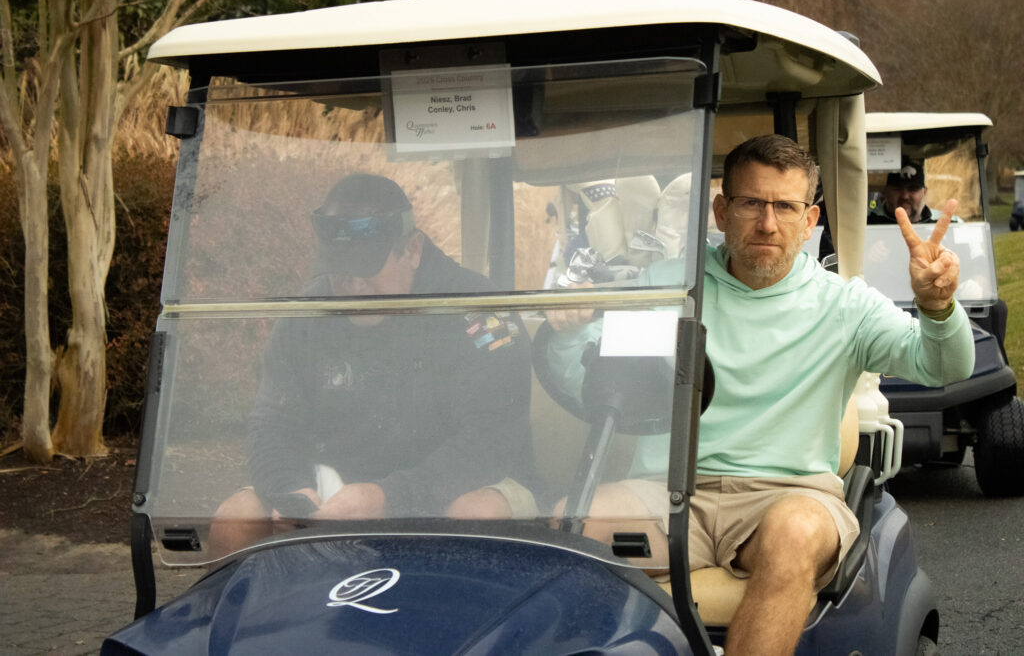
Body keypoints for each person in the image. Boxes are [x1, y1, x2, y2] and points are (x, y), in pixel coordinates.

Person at [545, 135, 975, 656]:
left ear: (809, 220)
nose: (768, 223)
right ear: (722, 212)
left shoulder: (844, 305)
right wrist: (568, 331)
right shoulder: (670, 289)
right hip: (670, 492)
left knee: (794, 534)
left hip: (790, 493)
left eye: (785, 207)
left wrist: (937, 308)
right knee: (571, 523)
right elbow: (582, 379)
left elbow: (944, 365)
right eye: (752, 203)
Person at [211, 173, 537, 555]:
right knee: (235, 521)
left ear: (412, 250)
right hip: (338, 487)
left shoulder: (480, 311)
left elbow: (489, 444)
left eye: (366, 267)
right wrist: (292, 492)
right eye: (340, 269)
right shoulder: (307, 315)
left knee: (474, 515)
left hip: (460, 484)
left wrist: (389, 498)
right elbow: (270, 423)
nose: (353, 285)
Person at [868, 158, 934, 223]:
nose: (905, 196)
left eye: (913, 189)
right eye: (897, 189)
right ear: (885, 192)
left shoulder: (935, 227)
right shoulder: (869, 226)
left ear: (924, 192)